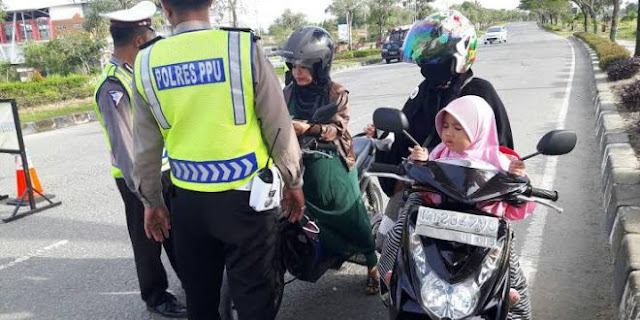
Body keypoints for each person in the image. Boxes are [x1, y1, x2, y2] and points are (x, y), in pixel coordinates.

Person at [131, 0, 305, 319]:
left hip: (187, 205)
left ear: (165, 8)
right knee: (255, 301)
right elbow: (277, 125)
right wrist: (293, 180)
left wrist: (151, 201)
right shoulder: (241, 47)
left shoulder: (146, 61)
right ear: (211, 3)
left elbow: (144, 149)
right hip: (247, 202)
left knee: (200, 301)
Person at [369, 9, 514, 251]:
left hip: (473, 197)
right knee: (387, 243)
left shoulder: (480, 92)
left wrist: (512, 173)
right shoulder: (424, 91)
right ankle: (387, 278)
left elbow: (502, 149)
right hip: (425, 191)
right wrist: (385, 142)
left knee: (502, 252)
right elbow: (404, 136)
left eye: (434, 51)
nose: (426, 58)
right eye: (425, 51)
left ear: (458, 51)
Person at [378, 95, 533, 315]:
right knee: (396, 234)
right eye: (446, 125)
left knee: (512, 267)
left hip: (484, 230)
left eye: (458, 128)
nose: (448, 133)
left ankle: (518, 308)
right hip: (437, 221)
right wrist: (420, 162)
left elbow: (518, 204)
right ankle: (390, 276)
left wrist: (519, 178)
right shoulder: (440, 152)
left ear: (478, 128)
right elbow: (423, 181)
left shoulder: (501, 161)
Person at [93, 2, 186, 317]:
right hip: (136, 177)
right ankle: (156, 296)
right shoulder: (113, 86)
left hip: (163, 169)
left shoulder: (138, 73)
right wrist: (147, 196)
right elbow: (125, 147)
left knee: (174, 231)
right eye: (150, 34)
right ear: (138, 40)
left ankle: (191, 280)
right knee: (148, 237)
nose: (153, 40)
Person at [279, 26, 380, 295]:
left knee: (350, 217)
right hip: (294, 164)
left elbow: (338, 129)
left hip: (328, 161)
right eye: (294, 65)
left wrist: (308, 128)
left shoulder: (336, 92)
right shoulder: (287, 92)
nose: (298, 71)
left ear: (321, 66)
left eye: (305, 66)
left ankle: (372, 263)